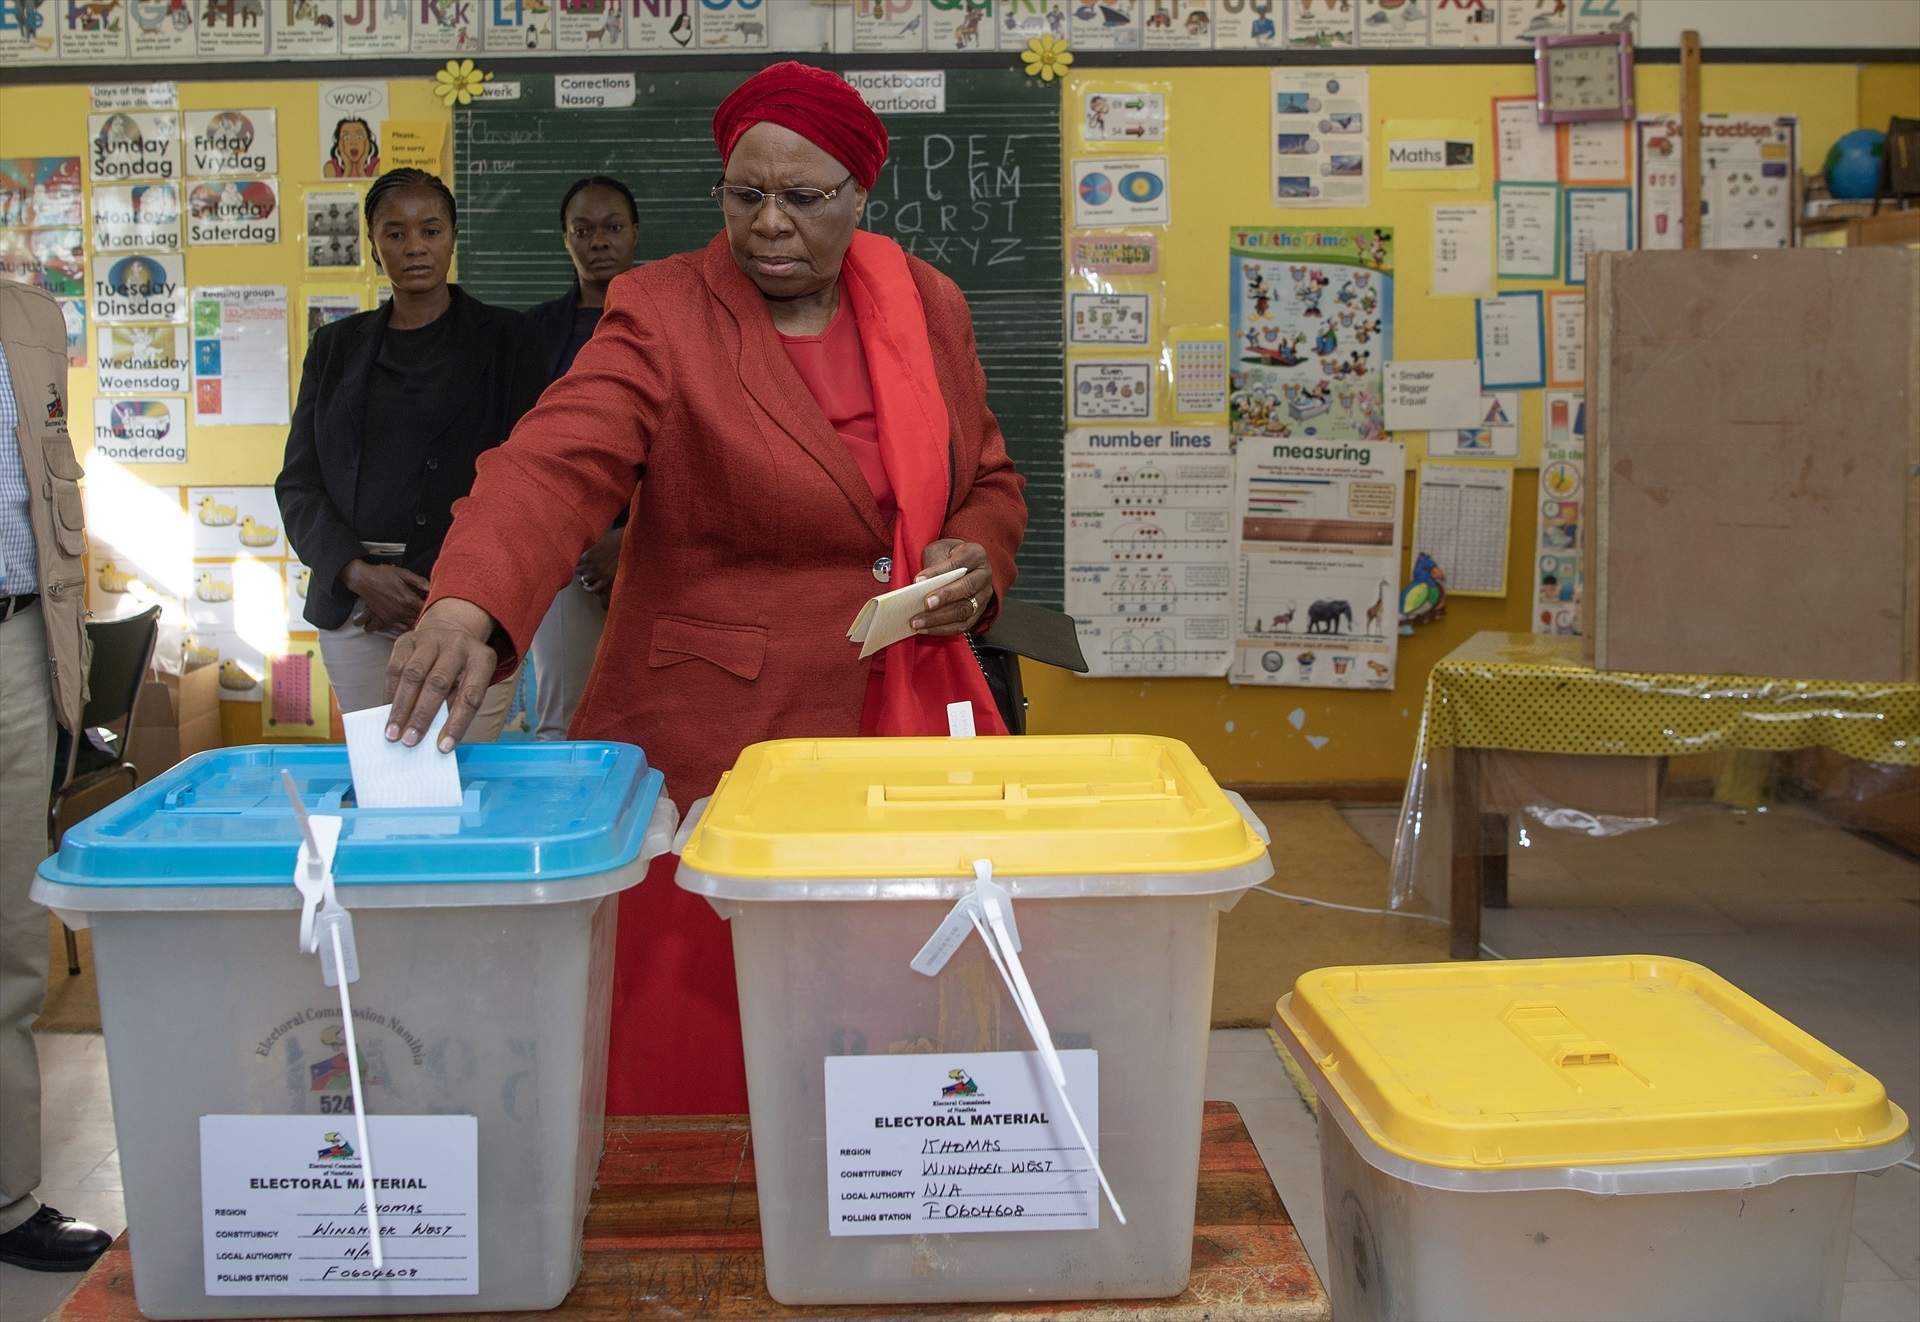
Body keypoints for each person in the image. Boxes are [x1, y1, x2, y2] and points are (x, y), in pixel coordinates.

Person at [381, 62, 1027, 1114]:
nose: (769, 224)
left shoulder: (926, 305)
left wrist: (973, 553)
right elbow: (552, 461)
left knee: (882, 1037)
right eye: (744, 195)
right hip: (715, 746)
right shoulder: (664, 312)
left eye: (802, 198)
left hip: (893, 733)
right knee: (701, 1069)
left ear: (861, 194)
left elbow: (989, 475)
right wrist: (467, 603)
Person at [276, 168, 545, 736]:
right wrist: (357, 572)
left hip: (470, 601)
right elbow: (298, 484)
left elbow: (525, 476)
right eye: (395, 233)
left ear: (452, 236)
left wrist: (428, 586)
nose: (415, 247)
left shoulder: (508, 340)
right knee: (383, 776)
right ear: (374, 245)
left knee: (463, 775)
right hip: (353, 607)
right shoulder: (334, 348)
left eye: (430, 229)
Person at [0, 277, 112, 1272]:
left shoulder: (32, 314)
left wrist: (63, 657)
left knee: (9, 945)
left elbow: (51, 485)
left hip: (16, 641)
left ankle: (5, 1197)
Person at [521, 176, 640, 739]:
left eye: (613, 227)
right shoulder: (533, 334)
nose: (599, 241)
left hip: (657, 546)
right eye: (583, 229)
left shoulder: (674, 322)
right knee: (562, 716)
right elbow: (527, 442)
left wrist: (630, 537)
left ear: (635, 234)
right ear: (564, 238)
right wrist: (582, 537)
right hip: (564, 550)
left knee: (656, 710)